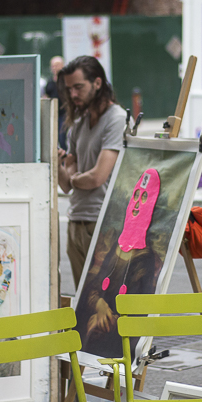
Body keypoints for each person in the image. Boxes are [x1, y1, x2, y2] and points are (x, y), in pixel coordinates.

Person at [57, 56, 126, 288]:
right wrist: (59, 165)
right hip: (76, 220)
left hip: (102, 221)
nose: (74, 95)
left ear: (97, 83)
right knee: (83, 298)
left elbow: (97, 176)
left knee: (103, 301)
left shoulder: (116, 119)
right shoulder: (78, 123)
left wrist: (73, 176)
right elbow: (67, 183)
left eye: (79, 87)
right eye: (69, 89)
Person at [44, 56, 67, 149]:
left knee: (62, 137)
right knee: (54, 137)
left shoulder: (66, 81)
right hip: (53, 114)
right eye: (53, 66)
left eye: (57, 65)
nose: (54, 68)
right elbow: (46, 95)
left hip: (64, 114)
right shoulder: (50, 82)